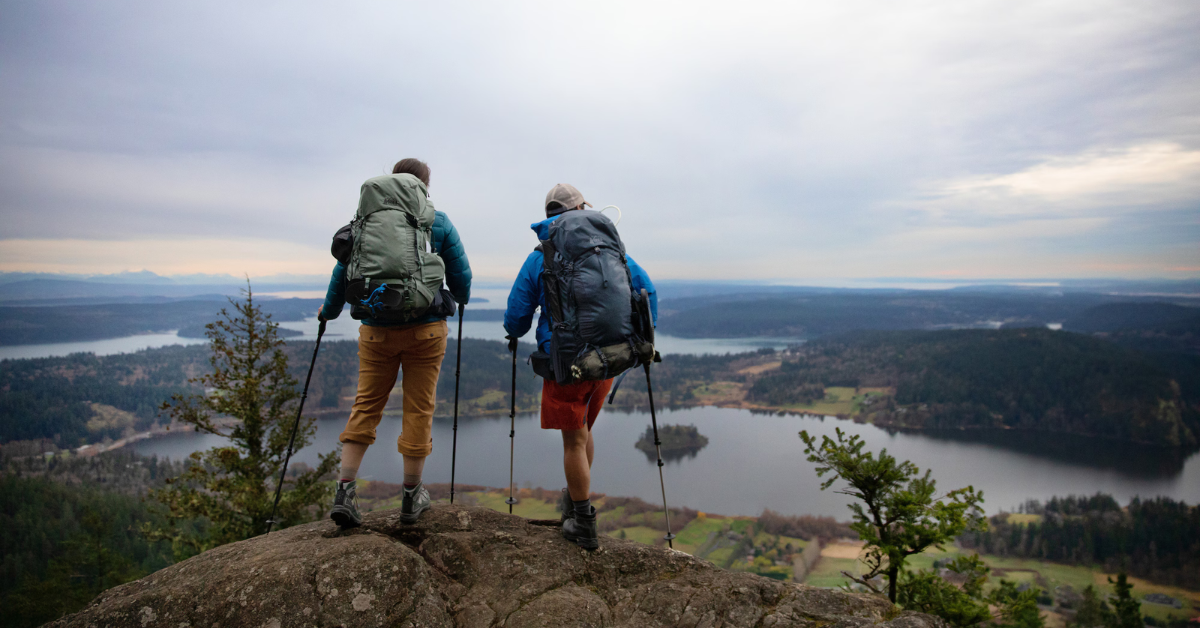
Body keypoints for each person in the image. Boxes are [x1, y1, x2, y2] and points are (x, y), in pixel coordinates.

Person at [503, 183, 656, 550]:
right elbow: (647, 292)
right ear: (583, 207)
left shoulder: (541, 256)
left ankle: (583, 522)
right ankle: (574, 505)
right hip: (608, 360)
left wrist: (514, 332)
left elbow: (516, 318)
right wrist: (641, 340)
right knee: (584, 432)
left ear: (550, 216)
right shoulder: (613, 251)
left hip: (568, 363)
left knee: (573, 440)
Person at [320, 158, 471, 529]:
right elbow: (460, 272)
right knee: (418, 410)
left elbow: (342, 272)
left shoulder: (365, 222)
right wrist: (461, 297)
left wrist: (328, 311)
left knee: (366, 405)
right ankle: (411, 496)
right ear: (424, 186)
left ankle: (344, 491)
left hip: (376, 330)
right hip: (426, 331)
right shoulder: (437, 221)